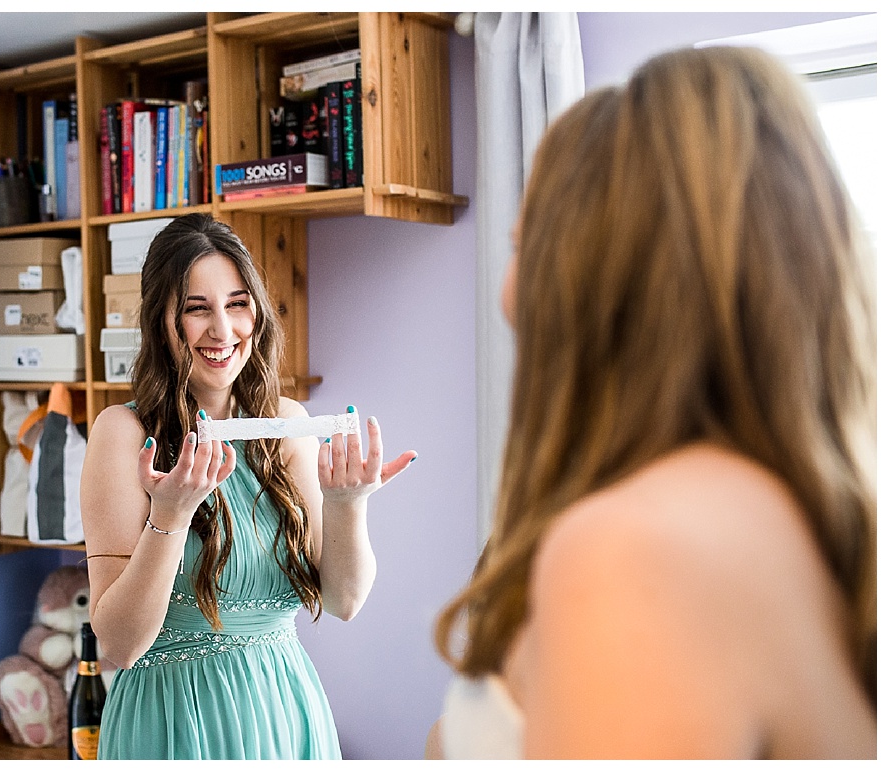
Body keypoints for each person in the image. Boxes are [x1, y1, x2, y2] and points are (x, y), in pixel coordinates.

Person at [429, 46, 874, 759]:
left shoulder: (631, 551)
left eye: (523, 244)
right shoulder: (794, 513)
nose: (508, 292)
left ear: (594, 275)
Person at [79, 213, 415, 759]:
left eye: (238, 304)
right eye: (196, 309)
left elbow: (345, 600)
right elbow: (118, 645)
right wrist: (170, 516)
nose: (222, 330)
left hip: (284, 711)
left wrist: (348, 504)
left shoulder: (287, 424)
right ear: (161, 320)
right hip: (173, 723)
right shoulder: (123, 434)